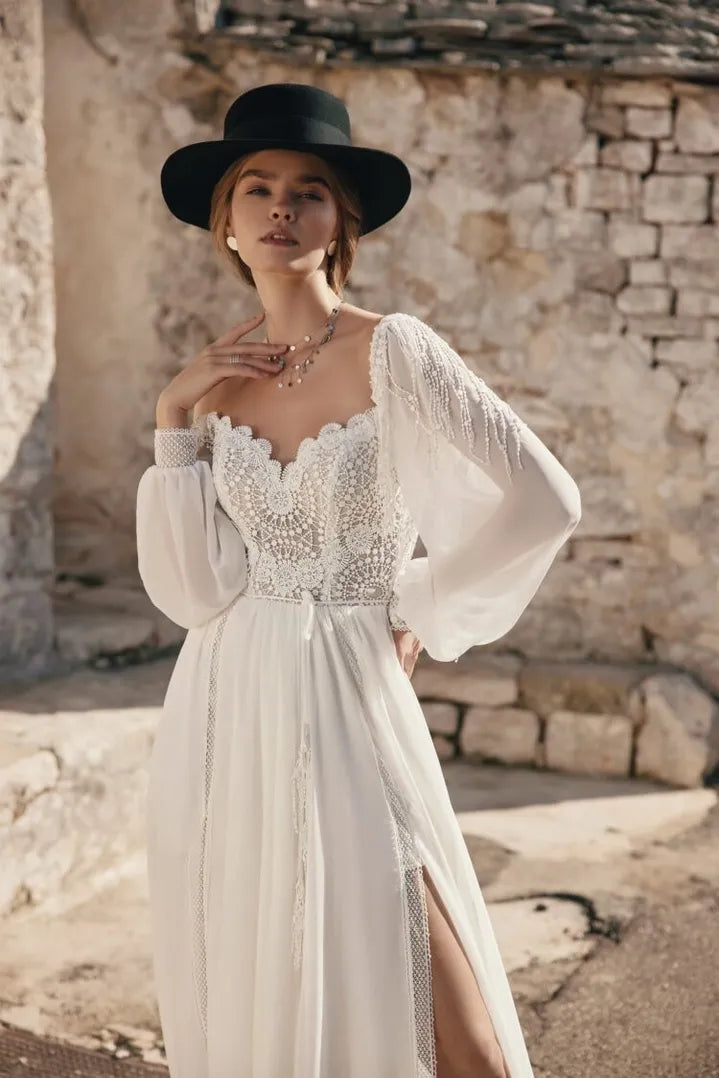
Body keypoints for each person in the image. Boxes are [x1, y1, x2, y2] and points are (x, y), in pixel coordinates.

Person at [136, 81, 581, 1078]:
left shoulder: (395, 349)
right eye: (256, 189)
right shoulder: (216, 379)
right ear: (226, 223)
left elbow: (546, 499)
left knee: (451, 1014)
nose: (281, 208)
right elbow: (196, 590)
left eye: (308, 191)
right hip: (229, 694)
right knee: (276, 966)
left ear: (340, 223)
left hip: (348, 687)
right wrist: (172, 418)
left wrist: (417, 602)